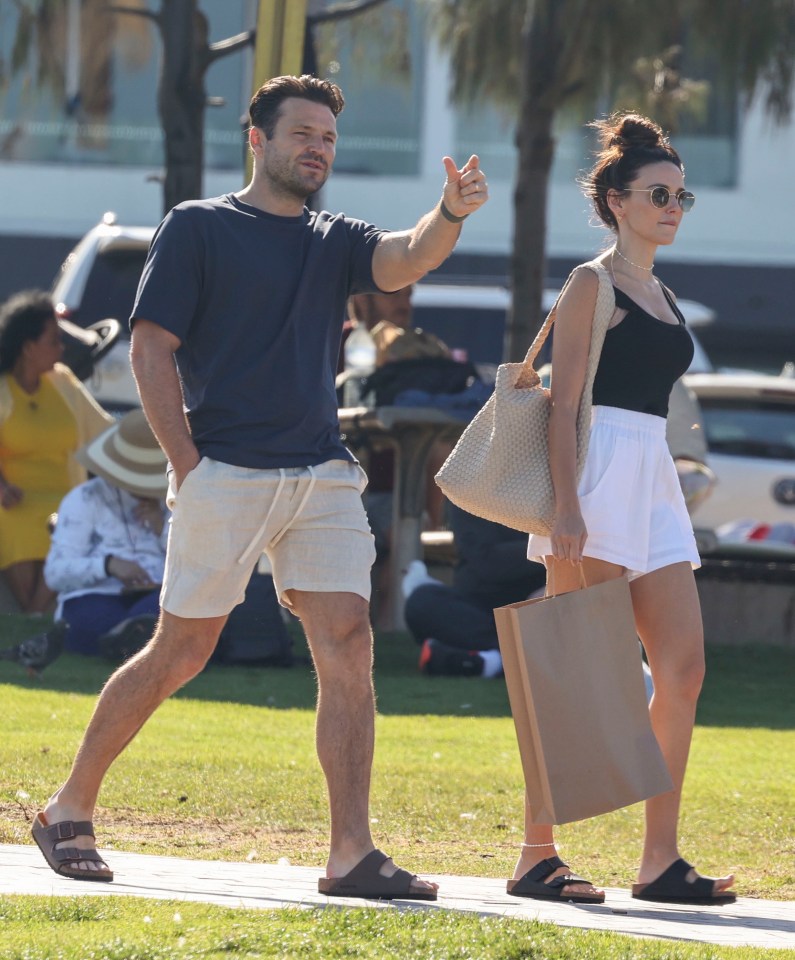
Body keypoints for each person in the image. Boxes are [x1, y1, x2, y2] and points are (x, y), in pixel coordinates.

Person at [31, 73, 488, 897]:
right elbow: (151, 349)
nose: (317, 149)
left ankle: (351, 853)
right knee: (183, 649)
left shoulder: (335, 235)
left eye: (328, 138)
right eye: (302, 134)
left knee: (349, 645)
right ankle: (67, 809)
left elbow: (404, 257)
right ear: (258, 139)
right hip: (225, 470)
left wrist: (448, 212)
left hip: (321, 472)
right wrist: (185, 463)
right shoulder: (198, 227)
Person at [505, 113, 735, 906]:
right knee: (580, 672)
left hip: (651, 482)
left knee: (681, 669)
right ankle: (536, 854)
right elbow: (566, 404)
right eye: (657, 193)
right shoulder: (590, 283)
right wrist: (565, 510)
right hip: (594, 474)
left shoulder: (661, 291)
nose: (672, 206)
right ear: (614, 200)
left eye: (681, 194)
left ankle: (658, 861)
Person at [0, 291, 114, 613]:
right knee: (12, 526)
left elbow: (105, 431)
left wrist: (147, 437)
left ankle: (33, 618)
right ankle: (34, 614)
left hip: (66, 500)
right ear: (28, 347)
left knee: (68, 526)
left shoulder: (64, 382)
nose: (62, 348)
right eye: (54, 340)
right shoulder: (2, 388)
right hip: (12, 502)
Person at [43, 409, 168, 659]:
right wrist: (108, 565)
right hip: (95, 593)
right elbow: (55, 574)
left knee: (164, 612)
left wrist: (162, 528)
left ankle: (131, 640)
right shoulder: (84, 499)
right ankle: (142, 644)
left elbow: (193, 565)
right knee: (92, 618)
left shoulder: (173, 501)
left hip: (157, 594)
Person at [402, 504, 546, 678]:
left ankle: (489, 661)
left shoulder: (558, 490)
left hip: (540, 598)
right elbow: (486, 561)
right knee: (422, 602)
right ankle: (508, 657)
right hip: (480, 608)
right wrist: (547, 547)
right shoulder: (467, 487)